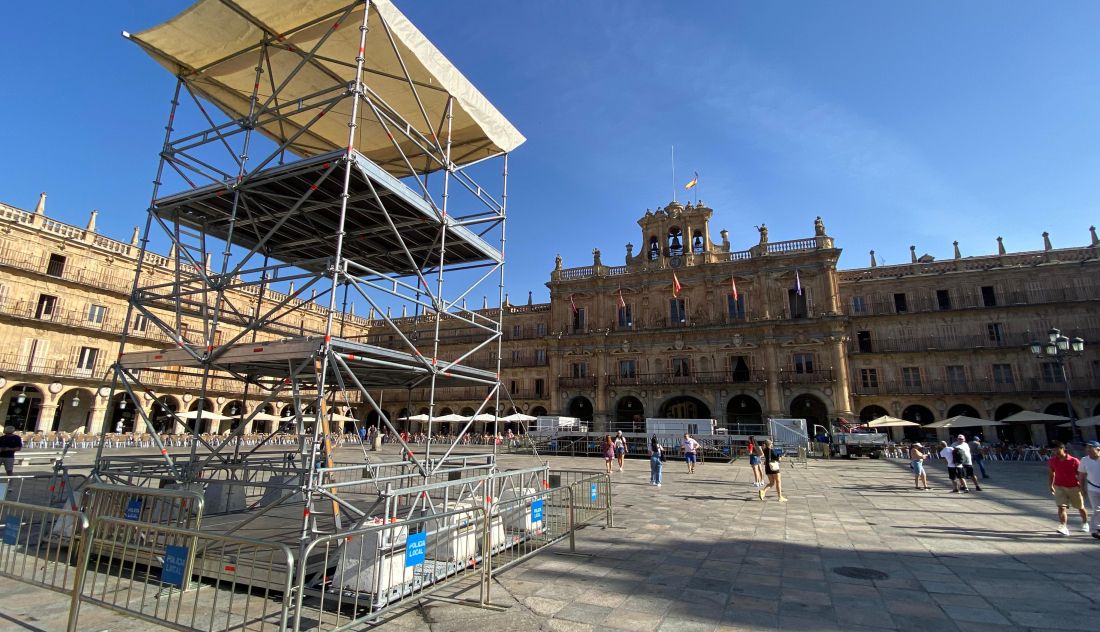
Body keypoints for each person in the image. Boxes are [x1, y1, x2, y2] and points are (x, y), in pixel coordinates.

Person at [1049, 440, 1090, 536]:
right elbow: (1051, 474)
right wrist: (1051, 485)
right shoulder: (1052, 461)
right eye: (1053, 451)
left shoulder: (1074, 461)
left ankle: (1085, 523)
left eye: (1056, 450)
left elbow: (1081, 474)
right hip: (1059, 487)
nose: (1055, 453)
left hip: (1074, 487)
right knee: (1061, 507)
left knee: (1080, 507)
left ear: (1063, 449)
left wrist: (1082, 487)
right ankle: (1063, 526)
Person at [1079, 440, 1100, 539]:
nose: (1088, 451)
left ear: (1098, 449)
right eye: (1087, 449)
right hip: (1093, 488)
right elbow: (1082, 475)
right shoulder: (1084, 460)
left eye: (1090, 449)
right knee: (1097, 509)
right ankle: (1096, 529)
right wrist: (1082, 489)